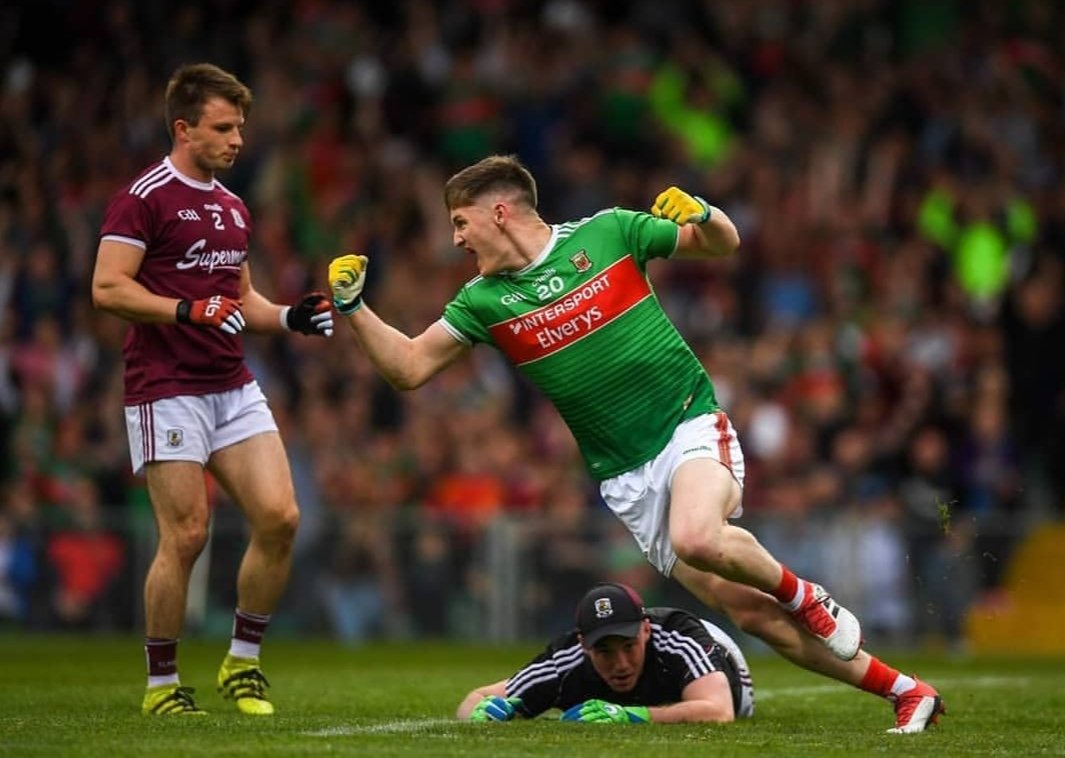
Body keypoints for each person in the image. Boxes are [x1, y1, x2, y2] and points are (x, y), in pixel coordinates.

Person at [327, 154, 944, 733]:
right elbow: (408, 367)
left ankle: (807, 596)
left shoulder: (609, 232)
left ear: (500, 212)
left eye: (461, 223)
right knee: (754, 616)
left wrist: (705, 212)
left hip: (687, 424)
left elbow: (722, 244)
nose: (456, 239)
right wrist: (353, 308)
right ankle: (907, 691)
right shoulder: (483, 301)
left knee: (697, 535)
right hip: (627, 479)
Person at [91, 62, 334, 716]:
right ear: (184, 128)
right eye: (223, 128)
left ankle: (241, 662)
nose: (236, 139)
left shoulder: (232, 207)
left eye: (239, 127)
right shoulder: (143, 197)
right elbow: (107, 288)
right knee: (187, 535)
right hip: (165, 386)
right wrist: (184, 310)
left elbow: (241, 299)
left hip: (230, 382)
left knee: (281, 518)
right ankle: (162, 687)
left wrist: (289, 317)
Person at [456, 581, 755, 724]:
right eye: (604, 651)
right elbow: (475, 698)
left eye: (628, 646)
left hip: (721, 656)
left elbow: (720, 711)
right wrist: (481, 712)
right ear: (584, 645)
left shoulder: (678, 638)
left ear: (646, 630)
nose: (621, 664)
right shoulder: (565, 660)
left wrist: (634, 715)